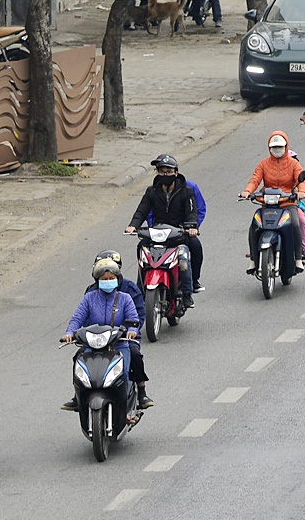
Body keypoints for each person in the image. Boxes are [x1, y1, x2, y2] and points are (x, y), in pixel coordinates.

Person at [61, 256, 146, 415]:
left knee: (124, 374)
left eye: (111, 278)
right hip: (94, 345)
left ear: (117, 279)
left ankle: (126, 412)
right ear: (97, 281)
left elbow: (134, 319)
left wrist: (131, 331)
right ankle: (77, 397)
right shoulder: (89, 298)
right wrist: (69, 333)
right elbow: (77, 318)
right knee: (80, 366)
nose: (108, 281)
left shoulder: (125, 298)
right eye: (104, 279)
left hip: (119, 345)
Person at [125, 153, 203, 300]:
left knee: (189, 253)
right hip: (158, 233)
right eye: (161, 171)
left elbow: (192, 211)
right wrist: (133, 225)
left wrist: (192, 227)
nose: (164, 175)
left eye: (168, 172)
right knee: (142, 250)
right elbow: (142, 210)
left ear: (176, 172)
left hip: (179, 234)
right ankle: (141, 289)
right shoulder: (152, 191)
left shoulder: (187, 191)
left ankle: (189, 289)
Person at [238, 133, 305, 281]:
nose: (277, 150)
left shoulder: (293, 164)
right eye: (274, 147)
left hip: (287, 203)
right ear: (269, 148)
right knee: (254, 226)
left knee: (296, 224)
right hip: (267, 204)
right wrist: (247, 191)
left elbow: (301, 179)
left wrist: (301, 192)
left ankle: (297, 257)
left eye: (280, 147)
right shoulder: (263, 164)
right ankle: (253, 259)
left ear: (286, 147)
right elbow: (255, 179)